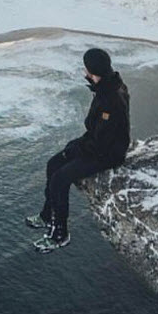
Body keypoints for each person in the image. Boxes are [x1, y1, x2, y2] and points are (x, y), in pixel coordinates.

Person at [25, 47, 131, 252]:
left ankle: (60, 234)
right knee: (53, 164)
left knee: (59, 179)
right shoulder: (107, 87)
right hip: (98, 144)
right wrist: (75, 147)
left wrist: (75, 150)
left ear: (92, 71)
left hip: (108, 154)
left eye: (86, 68)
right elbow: (97, 133)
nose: (84, 71)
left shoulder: (110, 99)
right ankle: (48, 216)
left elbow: (101, 143)